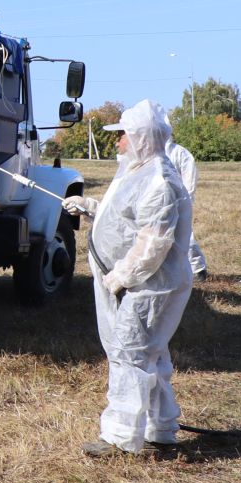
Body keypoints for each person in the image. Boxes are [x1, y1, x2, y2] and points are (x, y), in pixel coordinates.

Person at [62, 100, 196, 459]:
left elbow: (153, 244)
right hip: (139, 283)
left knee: (130, 354)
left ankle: (121, 438)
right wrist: (89, 207)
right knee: (149, 354)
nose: (117, 141)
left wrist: (120, 277)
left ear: (141, 137)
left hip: (151, 284)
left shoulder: (159, 180)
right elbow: (125, 218)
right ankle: (160, 428)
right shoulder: (137, 171)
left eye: (122, 134)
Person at [166, 139, 209, 279]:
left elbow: (189, 177)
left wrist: (184, 200)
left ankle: (198, 270)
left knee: (183, 235)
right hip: (158, 201)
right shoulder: (147, 151)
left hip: (178, 201)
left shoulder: (179, 153)